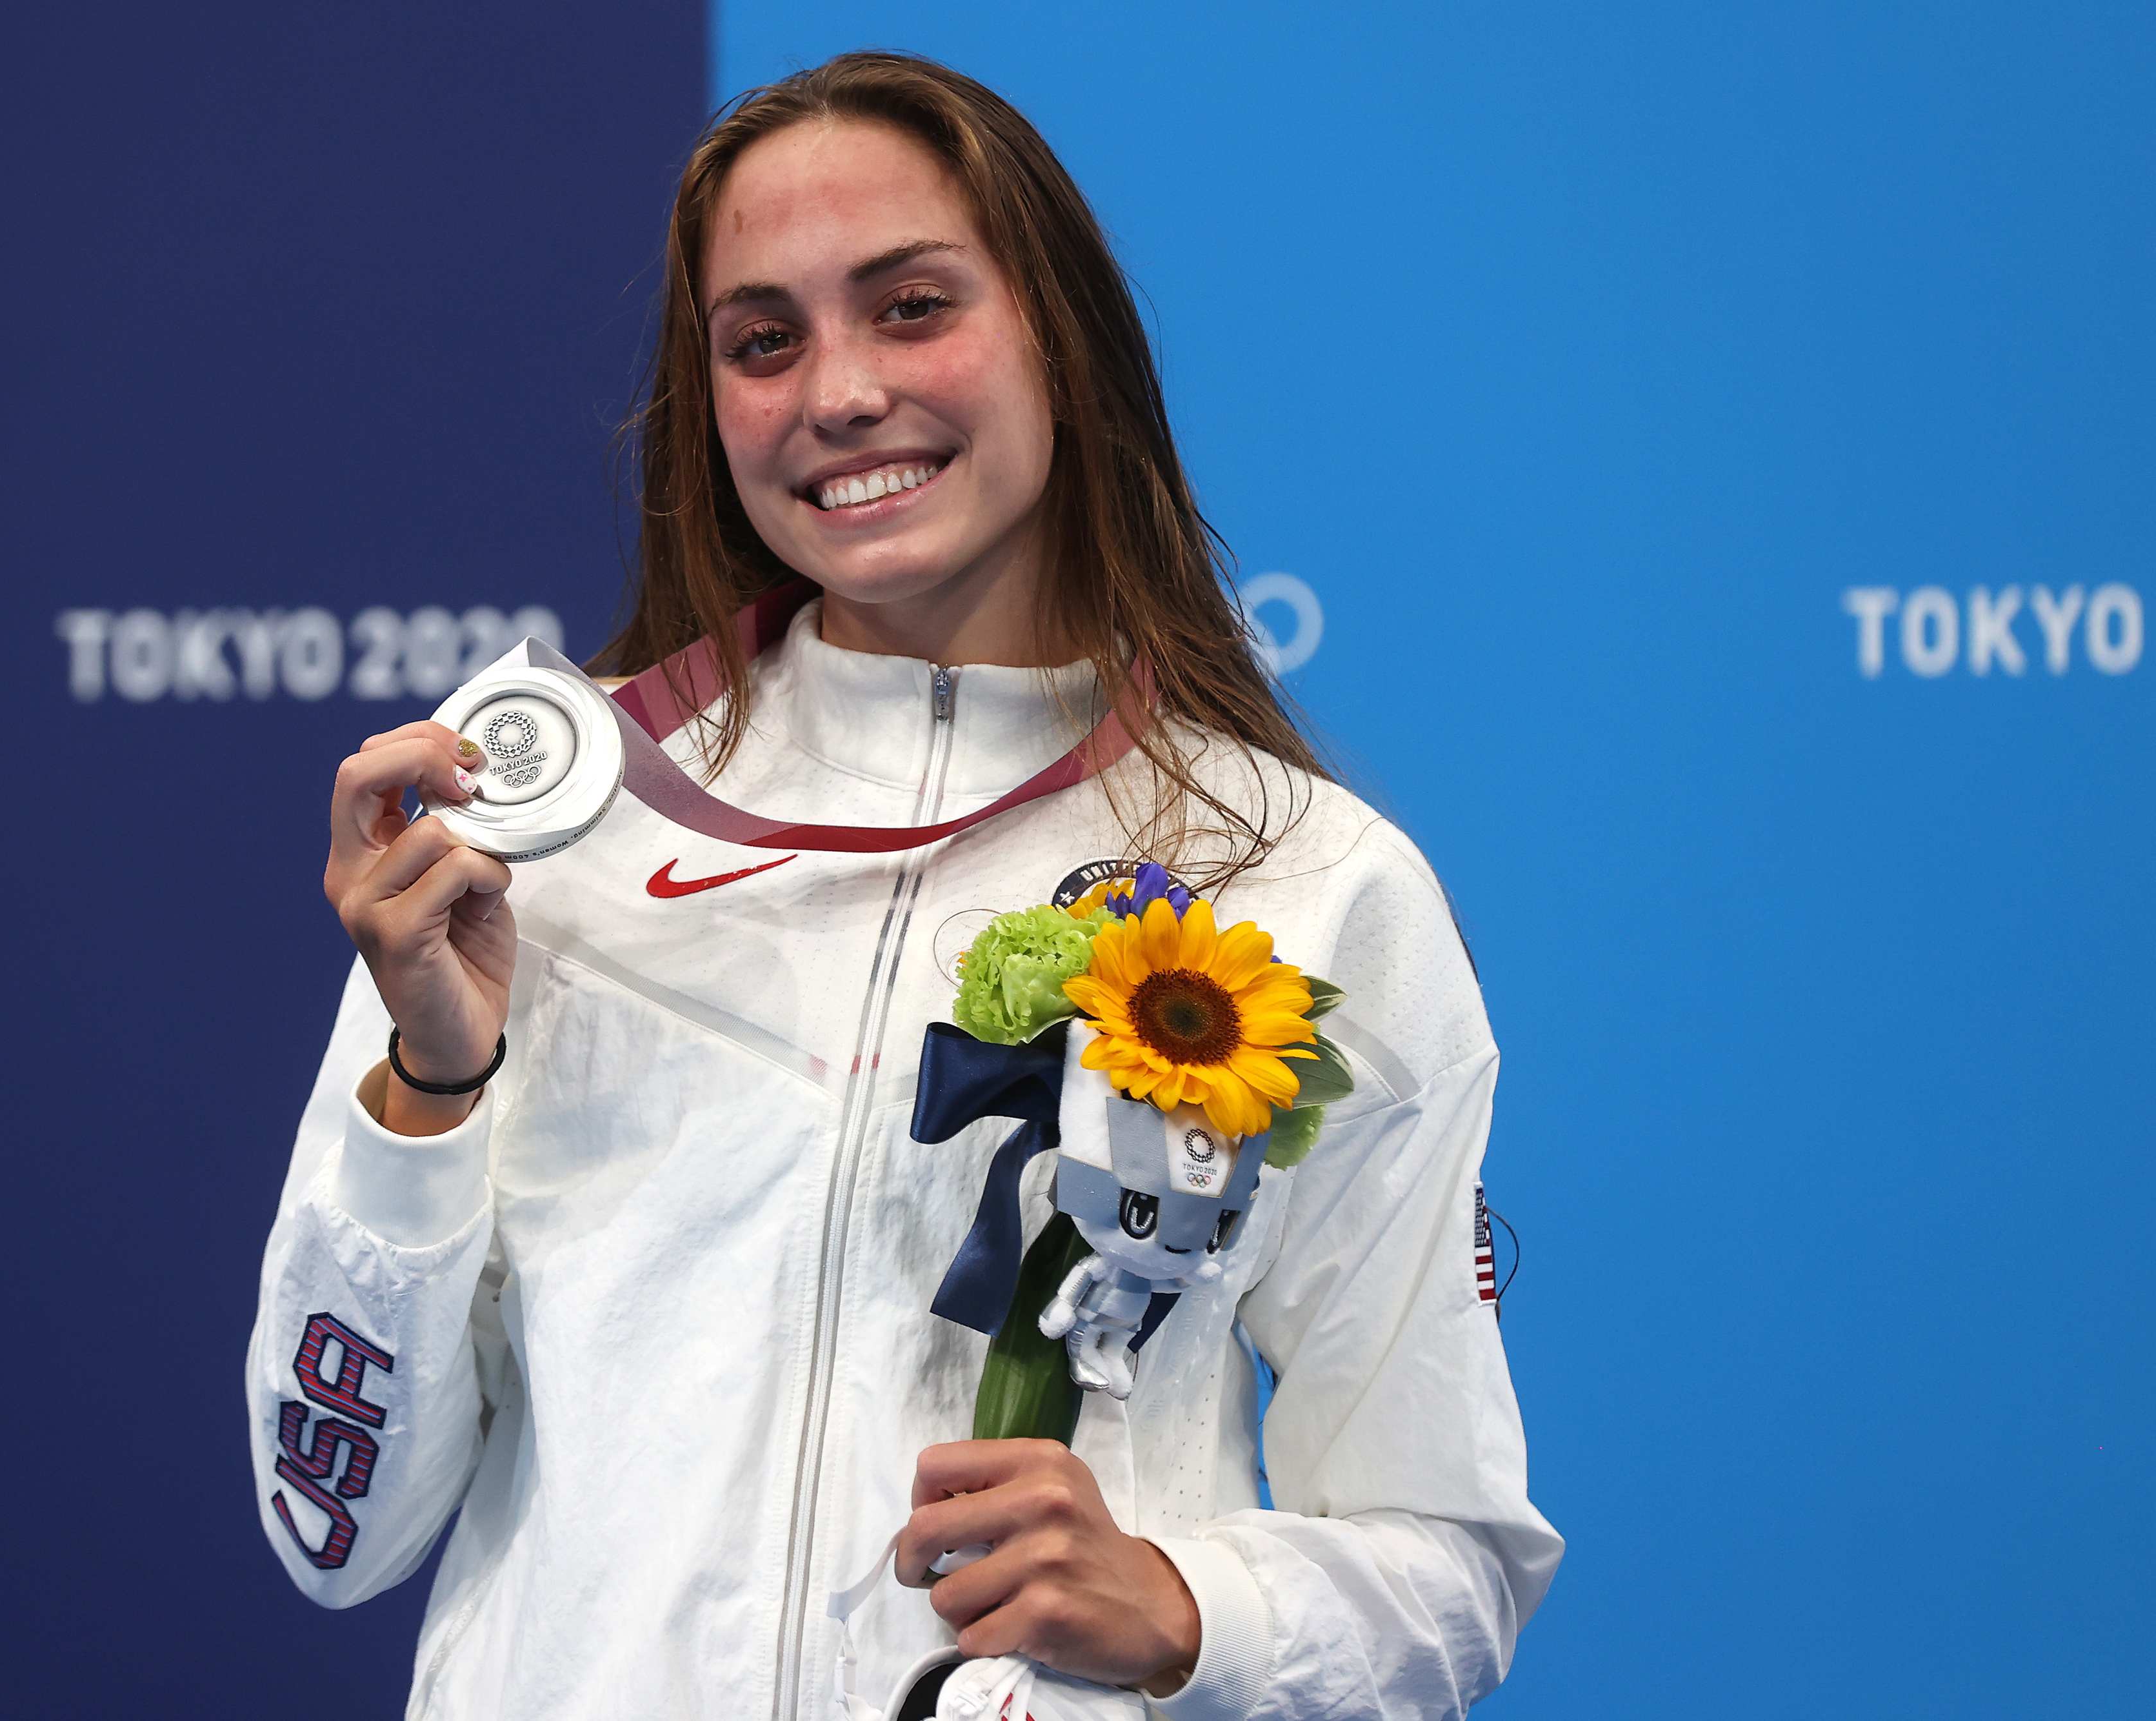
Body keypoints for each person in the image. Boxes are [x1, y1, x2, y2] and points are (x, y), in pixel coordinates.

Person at [248, 50, 1560, 1720]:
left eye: (913, 305)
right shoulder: (537, 845)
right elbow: (331, 1526)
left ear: (1061, 346)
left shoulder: (1308, 881)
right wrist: (429, 1083)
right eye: (764, 340)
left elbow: (1448, 1566)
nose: (841, 392)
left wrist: (1190, 1606)